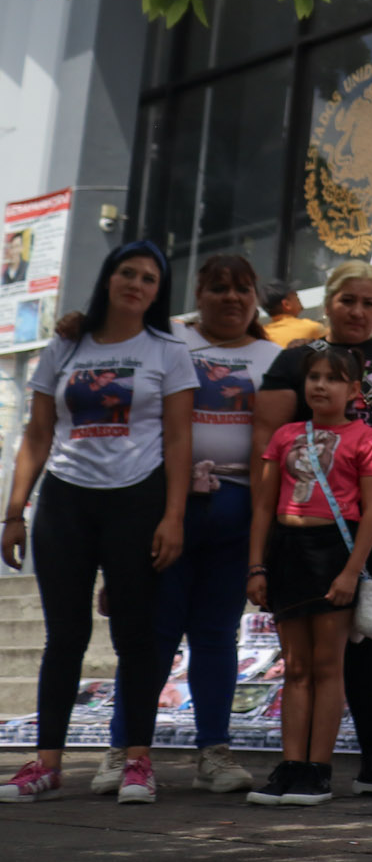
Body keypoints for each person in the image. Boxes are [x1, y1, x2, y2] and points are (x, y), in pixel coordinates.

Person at [0, 242, 195, 804]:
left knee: (136, 636)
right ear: (108, 278)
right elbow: (38, 434)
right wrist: (14, 512)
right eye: (127, 273)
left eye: (149, 278)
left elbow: (179, 439)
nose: (136, 284)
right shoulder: (65, 343)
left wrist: (174, 516)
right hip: (65, 501)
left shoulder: (169, 349)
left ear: (158, 292)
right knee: (65, 636)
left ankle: (137, 761)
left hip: (138, 500)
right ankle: (46, 764)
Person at [98, 254, 277, 796]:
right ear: (198, 294)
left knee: (217, 636)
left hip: (237, 514)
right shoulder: (166, 339)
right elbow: (107, 340)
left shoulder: (275, 357)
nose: (231, 298)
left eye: (242, 288)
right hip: (165, 510)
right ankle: (123, 750)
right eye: (218, 288)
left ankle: (214, 753)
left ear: (255, 297)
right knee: (151, 636)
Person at [253, 261, 372, 798]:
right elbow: (270, 442)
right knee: (307, 662)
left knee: (369, 646)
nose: (357, 311)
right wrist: (259, 555)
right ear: (327, 302)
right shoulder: (294, 359)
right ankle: (301, 764)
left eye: (369, 303)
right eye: (347, 300)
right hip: (301, 529)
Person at [244, 345, 372, 806]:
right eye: (314, 377)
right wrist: (257, 566)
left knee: (327, 667)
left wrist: (349, 572)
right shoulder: (284, 435)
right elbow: (263, 507)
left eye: (333, 378)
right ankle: (290, 765)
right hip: (287, 553)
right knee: (296, 668)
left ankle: (318, 770)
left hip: (333, 554)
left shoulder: (364, 437)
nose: (320, 386)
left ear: (354, 390)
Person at [262, 281, 322, 346]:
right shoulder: (312, 328)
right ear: (286, 304)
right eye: (296, 295)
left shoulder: (263, 335)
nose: (298, 298)